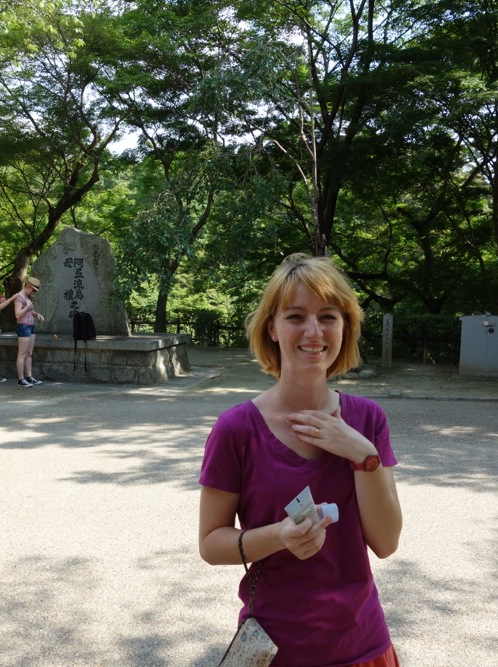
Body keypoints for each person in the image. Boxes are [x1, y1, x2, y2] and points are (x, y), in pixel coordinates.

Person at [198, 253, 403, 667]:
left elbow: (386, 543)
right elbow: (210, 544)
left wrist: (363, 454)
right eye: (295, 316)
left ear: (345, 327)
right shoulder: (236, 429)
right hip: (275, 650)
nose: (314, 331)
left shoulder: (368, 420)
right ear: (272, 328)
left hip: (363, 645)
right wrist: (279, 536)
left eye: (328, 317)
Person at [14, 275, 46, 387]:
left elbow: (29, 312)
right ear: (28, 286)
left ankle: (29, 376)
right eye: (33, 289)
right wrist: (27, 307)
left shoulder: (27, 297)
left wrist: (36, 314)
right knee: (22, 353)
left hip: (31, 325)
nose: (33, 292)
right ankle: (21, 379)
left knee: (29, 353)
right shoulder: (19, 297)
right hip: (23, 326)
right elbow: (18, 314)